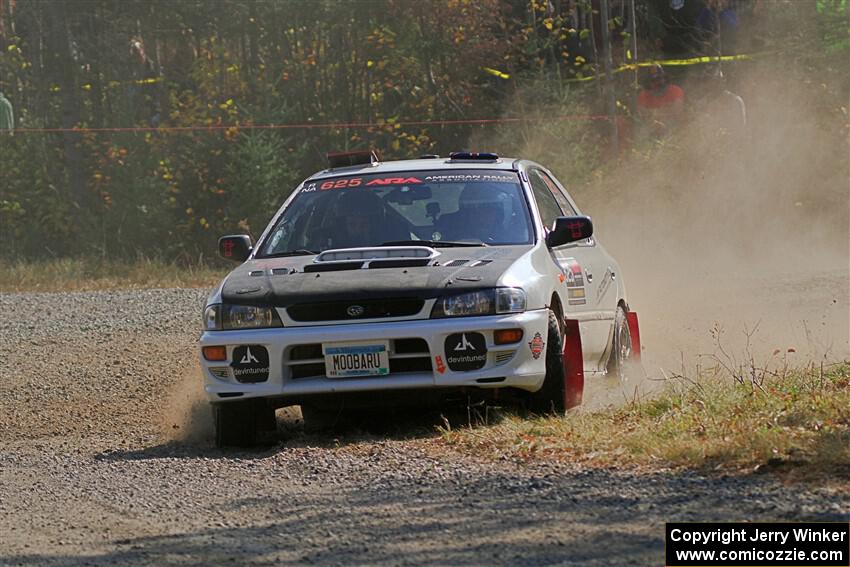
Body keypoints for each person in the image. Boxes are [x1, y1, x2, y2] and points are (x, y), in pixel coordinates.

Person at [637, 64, 685, 137]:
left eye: (659, 78)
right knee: (642, 132)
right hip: (652, 130)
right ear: (649, 83)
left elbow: (677, 110)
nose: (658, 82)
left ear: (665, 78)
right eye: (654, 80)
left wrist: (654, 113)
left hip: (675, 128)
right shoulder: (643, 96)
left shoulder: (676, 91)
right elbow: (643, 114)